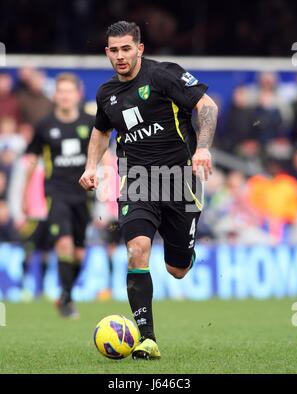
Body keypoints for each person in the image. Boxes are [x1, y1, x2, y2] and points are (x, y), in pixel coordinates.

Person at [79, 21, 218, 359]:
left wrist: (202, 148)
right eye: (114, 50)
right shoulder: (106, 94)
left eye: (126, 48)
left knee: (178, 268)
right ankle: (147, 338)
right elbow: (101, 131)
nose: (120, 56)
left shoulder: (163, 75)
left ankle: (184, 252)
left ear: (139, 49)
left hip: (179, 180)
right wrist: (91, 167)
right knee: (137, 248)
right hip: (137, 180)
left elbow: (207, 106)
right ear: (107, 53)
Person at [23, 73, 94, 318]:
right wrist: (24, 194)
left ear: (78, 93)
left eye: (69, 91)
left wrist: (105, 183)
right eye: (60, 91)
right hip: (56, 192)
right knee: (63, 242)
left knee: (79, 253)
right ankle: (66, 300)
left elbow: (102, 153)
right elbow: (31, 160)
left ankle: (66, 292)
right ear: (55, 95)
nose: (64, 96)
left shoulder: (90, 122)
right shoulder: (44, 125)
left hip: (84, 195)